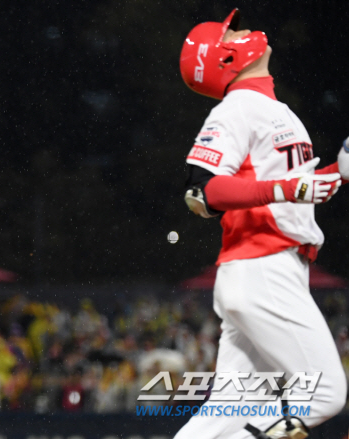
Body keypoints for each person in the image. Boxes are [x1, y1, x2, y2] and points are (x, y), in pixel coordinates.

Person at [177, 9, 346, 439]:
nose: (243, 29)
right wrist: (289, 189)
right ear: (227, 58)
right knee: (324, 393)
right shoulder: (237, 108)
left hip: (262, 271)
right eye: (230, 32)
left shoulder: (273, 109)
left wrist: (338, 172)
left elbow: (296, 188)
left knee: (222, 418)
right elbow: (203, 192)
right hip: (264, 269)